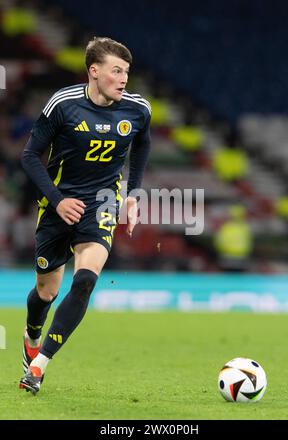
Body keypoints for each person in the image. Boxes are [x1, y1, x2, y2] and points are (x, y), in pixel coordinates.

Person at [19, 37, 151, 394]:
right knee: (46, 291)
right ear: (94, 71)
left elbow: (142, 145)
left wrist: (133, 195)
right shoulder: (63, 104)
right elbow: (30, 157)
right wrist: (57, 200)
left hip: (103, 202)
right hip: (59, 205)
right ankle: (32, 333)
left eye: (127, 72)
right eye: (116, 71)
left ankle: (38, 366)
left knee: (86, 280)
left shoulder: (138, 109)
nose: (124, 78)